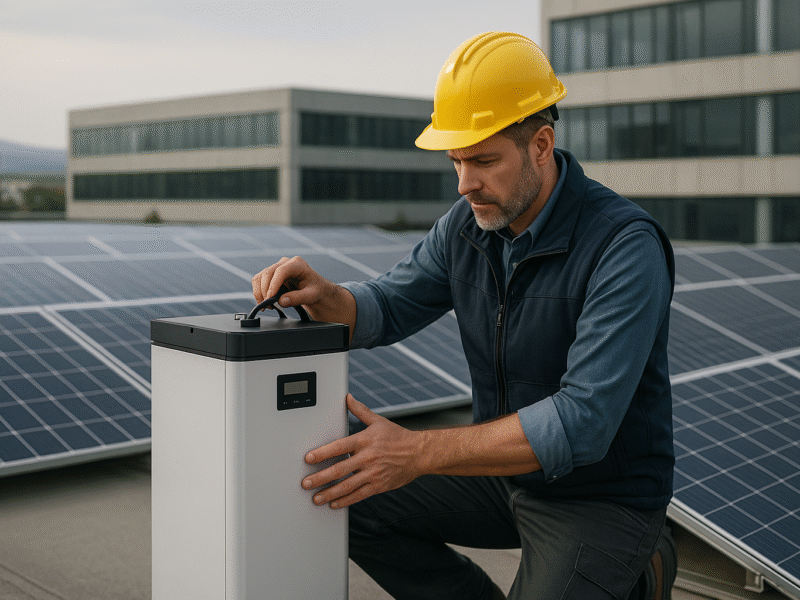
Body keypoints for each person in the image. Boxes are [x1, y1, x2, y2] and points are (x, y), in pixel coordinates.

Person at [252, 31, 675, 600]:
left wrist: (418, 451)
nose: (465, 184)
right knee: (342, 494)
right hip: (503, 476)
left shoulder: (623, 245)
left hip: (600, 495)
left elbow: (583, 422)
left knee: (391, 468)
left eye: (482, 160)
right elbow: (386, 306)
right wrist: (324, 295)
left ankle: (640, 567)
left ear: (542, 145)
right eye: (456, 161)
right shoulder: (467, 226)